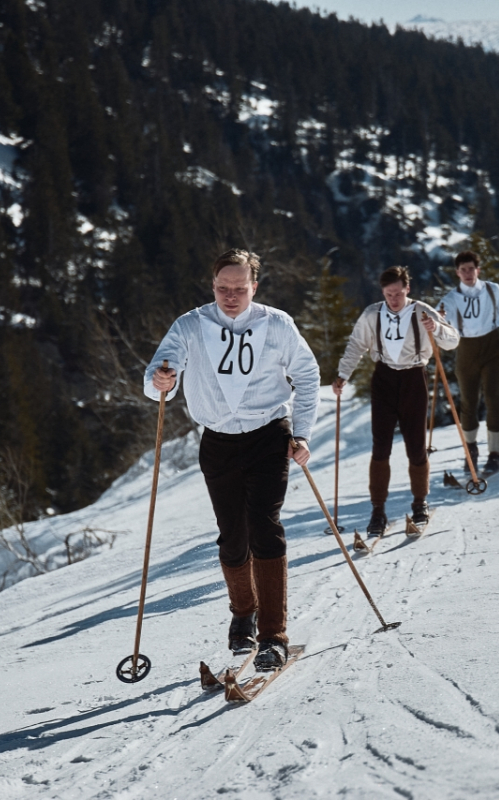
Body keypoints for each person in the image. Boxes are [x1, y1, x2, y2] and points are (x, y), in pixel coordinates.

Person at [144, 249, 319, 671]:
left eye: (239, 289)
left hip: (268, 435)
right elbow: (157, 379)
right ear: (213, 286)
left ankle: (273, 635)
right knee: (231, 535)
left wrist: (302, 434)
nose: (230, 296)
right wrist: (160, 380)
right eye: (223, 288)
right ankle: (244, 613)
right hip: (218, 441)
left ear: (254, 287)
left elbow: (308, 374)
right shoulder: (190, 325)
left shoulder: (277, 324)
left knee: (264, 526)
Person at [333, 266, 459, 534]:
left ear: (408, 289)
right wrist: (343, 374)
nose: (394, 299)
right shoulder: (372, 314)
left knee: (416, 444)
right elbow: (356, 344)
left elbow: (453, 340)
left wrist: (435, 327)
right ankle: (377, 511)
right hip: (384, 379)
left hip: (414, 378)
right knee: (381, 447)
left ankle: (419, 502)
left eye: (398, 294)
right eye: (389, 294)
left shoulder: (421, 311)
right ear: (382, 292)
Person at [437, 251, 499, 475]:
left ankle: (495, 454)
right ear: (457, 272)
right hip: (466, 349)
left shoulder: (493, 290)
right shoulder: (451, 298)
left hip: (492, 346)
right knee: (468, 402)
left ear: (478, 270)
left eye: (471, 269)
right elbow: (439, 321)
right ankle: (471, 451)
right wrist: (437, 324)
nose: (467, 273)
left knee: (493, 397)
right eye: (463, 270)